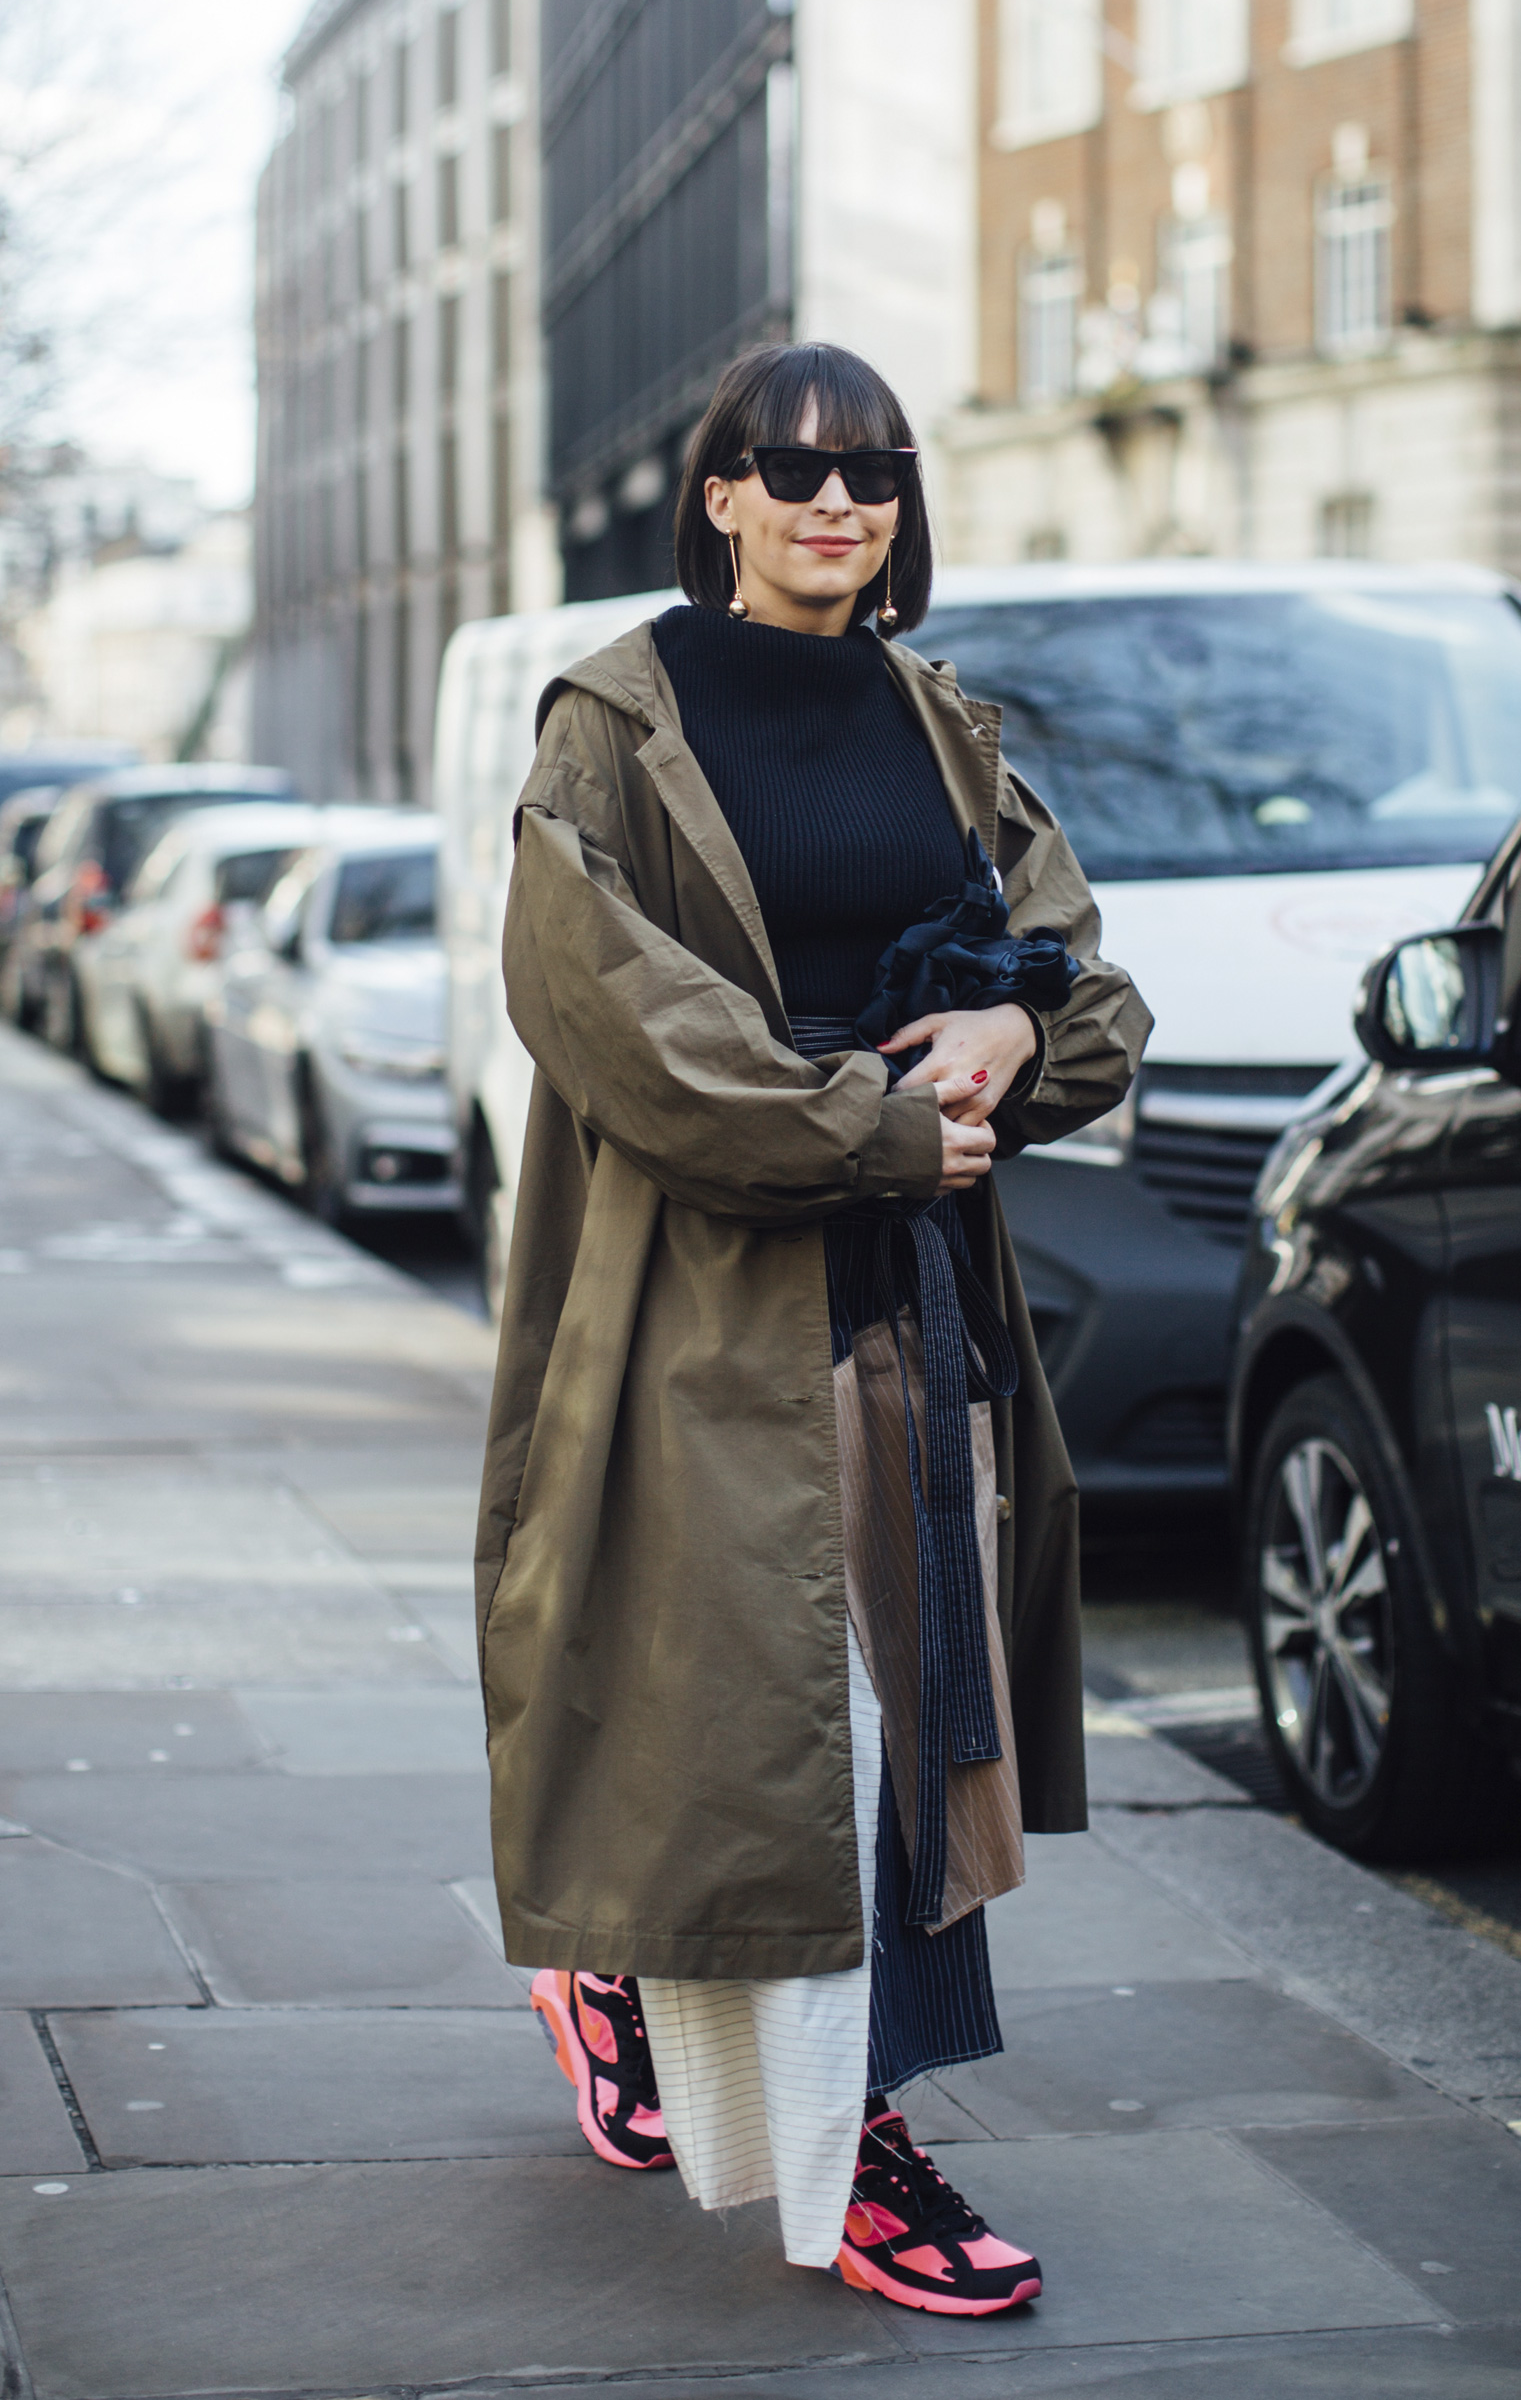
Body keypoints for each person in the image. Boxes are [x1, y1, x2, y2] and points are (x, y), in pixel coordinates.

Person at [479, 339, 1149, 2314]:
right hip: (707, 1311)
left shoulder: (943, 722)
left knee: (890, 1724)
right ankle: (855, 2158)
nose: (831, 500)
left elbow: (1087, 988)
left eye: (869, 469)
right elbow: (603, 1008)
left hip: (921, 1296)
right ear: (716, 492)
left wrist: (1022, 1028)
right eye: (789, 465)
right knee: (799, 1739)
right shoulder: (615, 719)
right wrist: (865, 1126)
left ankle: (634, 1981)